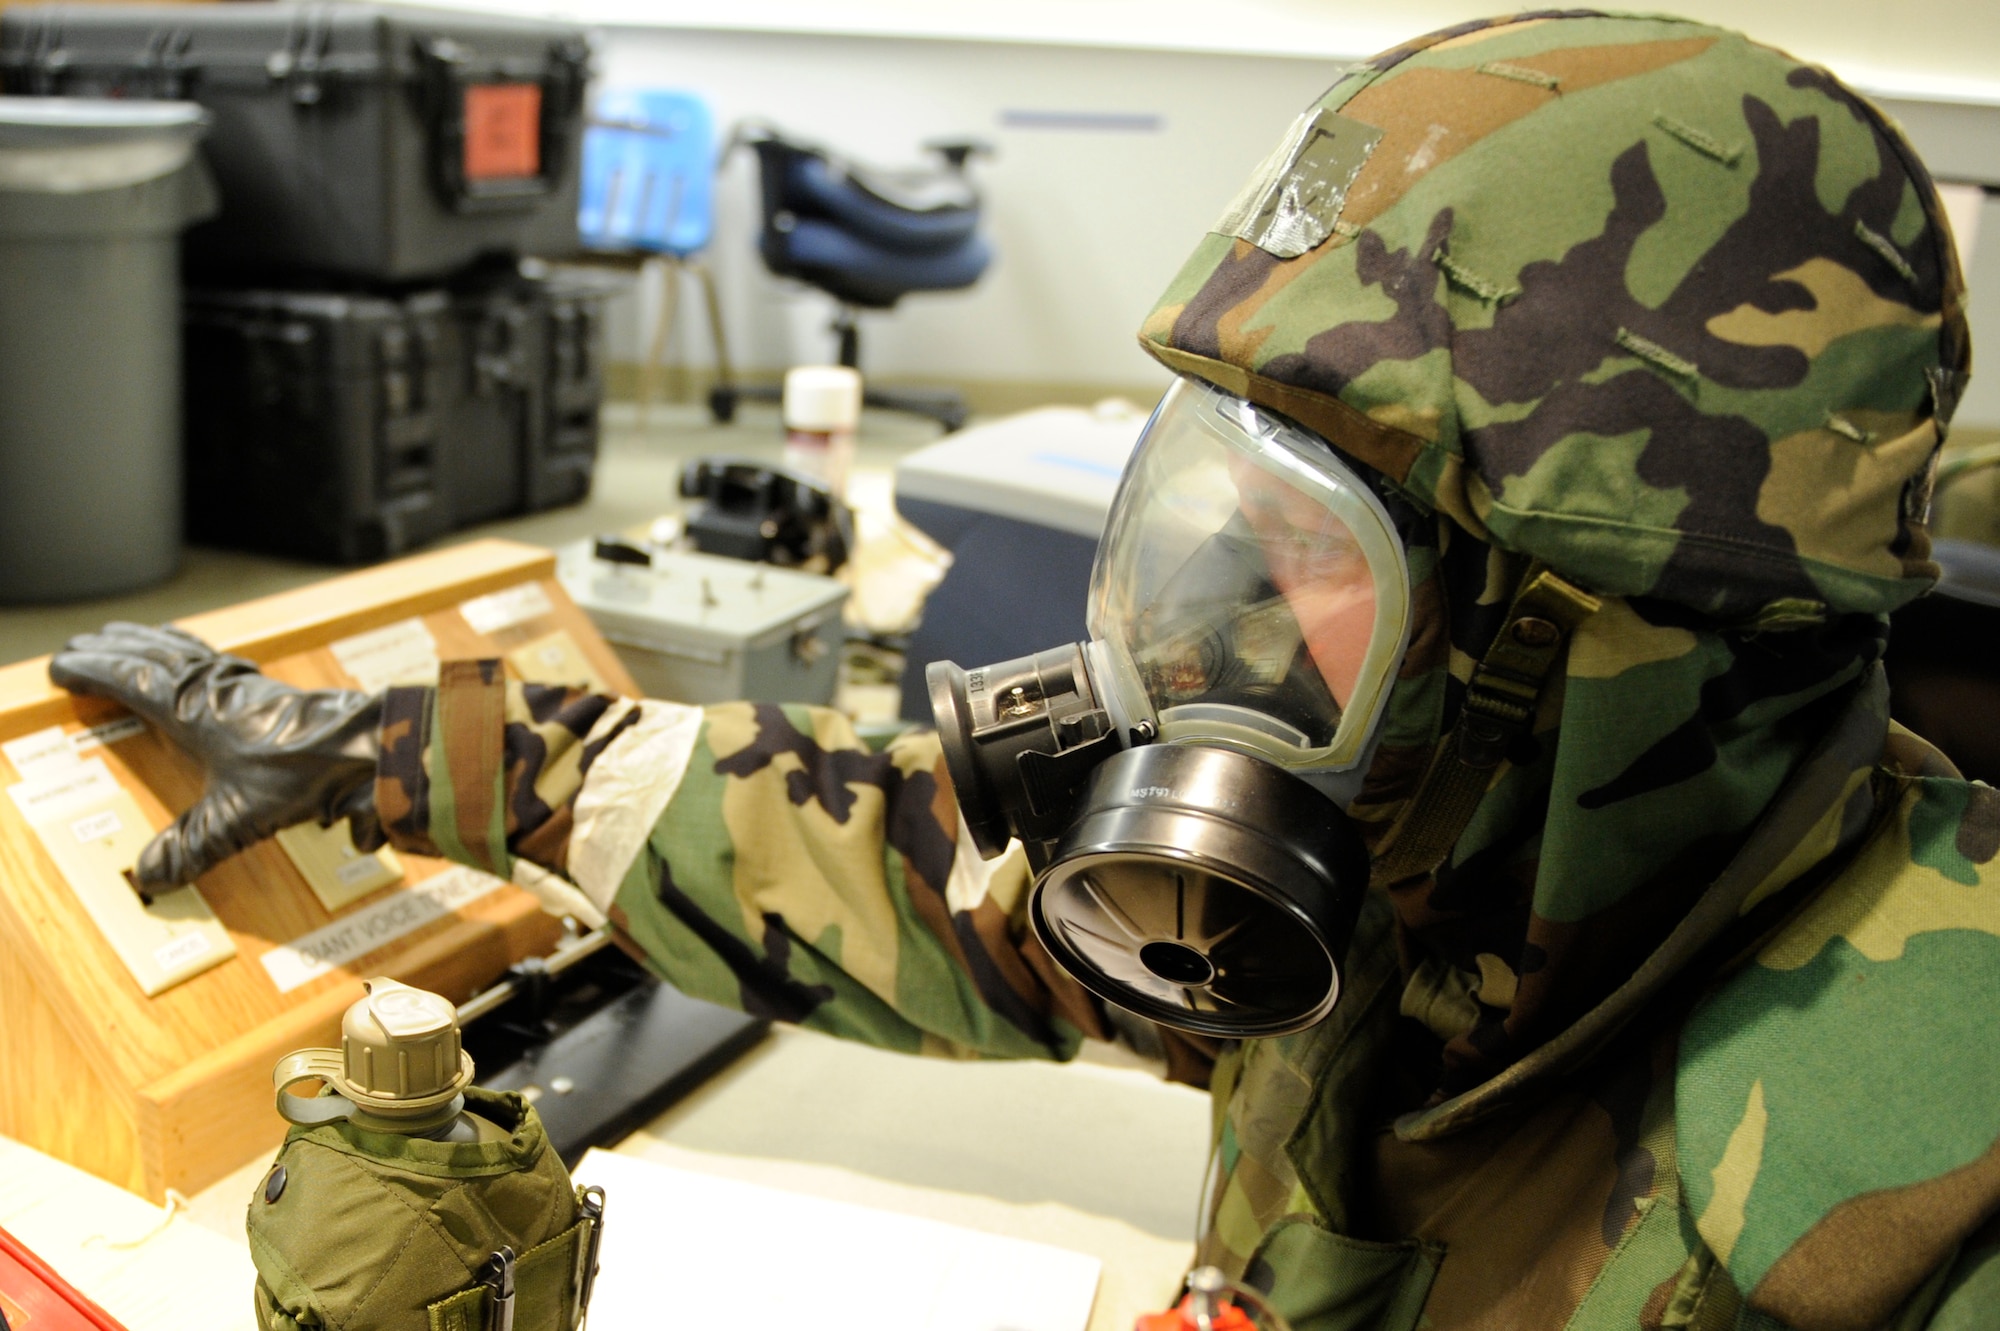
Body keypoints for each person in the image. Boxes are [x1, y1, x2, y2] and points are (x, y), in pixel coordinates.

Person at [53, 12, 1997, 1329]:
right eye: (1228, 511)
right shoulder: (1457, 876)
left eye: (1320, 557)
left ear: (1598, 647)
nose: (1220, 636)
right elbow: (915, 873)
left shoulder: (1923, 1195)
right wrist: (407, 744)